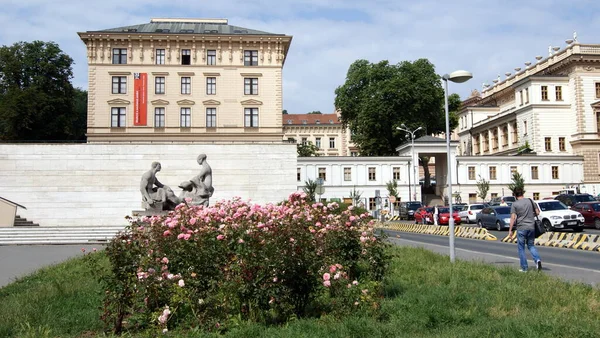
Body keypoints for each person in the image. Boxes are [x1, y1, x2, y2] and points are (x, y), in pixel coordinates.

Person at [509, 188, 542, 272]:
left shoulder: (515, 204)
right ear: (522, 193)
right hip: (531, 227)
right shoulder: (530, 201)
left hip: (521, 228)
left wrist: (510, 230)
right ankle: (537, 260)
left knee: (521, 248)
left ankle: (524, 268)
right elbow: (538, 212)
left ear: (515, 195)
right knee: (531, 245)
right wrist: (530, 215)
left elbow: (513, 218)